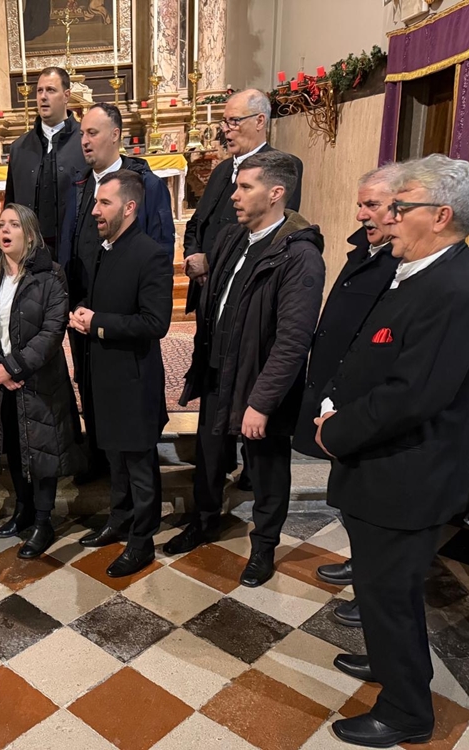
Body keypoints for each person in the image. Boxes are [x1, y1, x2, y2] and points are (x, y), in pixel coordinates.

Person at [317, 155, 469, 748]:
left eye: (400, 207)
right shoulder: (421, 271)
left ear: (440, 216)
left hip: (408, 474)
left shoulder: (456, 288)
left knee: (390, 595)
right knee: (378, 589)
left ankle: (405, 712)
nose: (387, 217)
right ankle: (388, 661)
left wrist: (336, 431)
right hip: (384, 468)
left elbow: (412, 395)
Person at [167, 151, 325, 589]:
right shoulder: (232, 237)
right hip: (219, 369)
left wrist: (263, 402)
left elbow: (293, 340)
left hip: (260, 382)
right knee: (209, 455)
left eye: (245, 187)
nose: (234, 196)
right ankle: (204, 521)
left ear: (275, 193)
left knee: (267, 466)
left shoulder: (300, 255)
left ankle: (264, 546)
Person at [289, 166, 401, 630]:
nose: (360, 215)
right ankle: (362, 567)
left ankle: (376, 594)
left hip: (366, 401)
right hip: (338, 390)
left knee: (372, 505)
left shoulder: (402, 264)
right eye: (360, 205)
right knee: (349, 496)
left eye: (371, 205)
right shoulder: (365, 250)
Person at [182, 88, 304, 493]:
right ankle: (215, 470)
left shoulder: (282, 167)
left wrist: (215, 262)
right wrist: (194, 254)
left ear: (260, 121)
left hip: (250, 297)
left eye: (233, 121)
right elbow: (198, 223)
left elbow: (272, 232)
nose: (226, 129)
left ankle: (252, 467)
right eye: (224, 121)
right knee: (215, 380)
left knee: (249, 385)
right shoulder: (222, 170)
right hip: (212, 291)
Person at [58, 102, 175, 484]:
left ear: (115, 135)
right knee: (90, 382)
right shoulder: (79, 184)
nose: (84, 140)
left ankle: (129, 469)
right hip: (84, 304)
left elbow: (159, 244)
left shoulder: (145, 184)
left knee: (126, 388)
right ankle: (99, 457)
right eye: (82, 133)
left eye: (92, 133)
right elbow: (68, 240)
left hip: (126, 310)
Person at [0, 204, 84, 558]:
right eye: (2, 224)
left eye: (14, 224)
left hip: (38, 379)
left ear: (29, 234)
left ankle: (44, 521)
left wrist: (15, 367)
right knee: (14, 445)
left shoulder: (50, 275)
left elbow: (52, 330)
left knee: (42, 448)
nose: (5, 230)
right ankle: (23, 510)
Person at [71, 170, 173, 577]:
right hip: (103, 375)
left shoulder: (151, 254)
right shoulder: (104, 249)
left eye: (104, 203)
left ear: (129, 207)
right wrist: (84, 312)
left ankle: (142, 541)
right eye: (96, 202)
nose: (95, 210)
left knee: (140, 467)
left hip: (134, 379)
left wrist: (97, 322)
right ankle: (119, 518)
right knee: (115, 457)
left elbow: (155, 322)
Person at [4, 67, 86, 258]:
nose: (43, 96)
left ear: (66, 96)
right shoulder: (19, 148)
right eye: (39, 90)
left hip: (76, 250)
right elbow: (11, 203)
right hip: (30, 252)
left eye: (51, 90)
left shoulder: (85, 142)